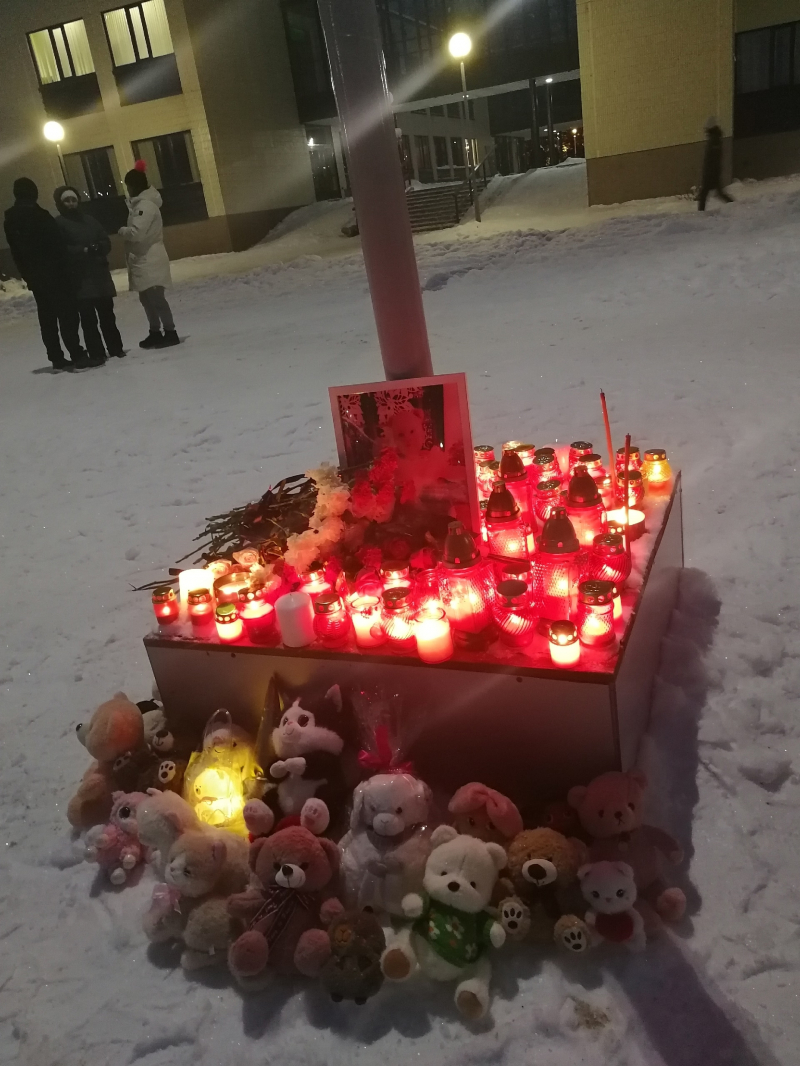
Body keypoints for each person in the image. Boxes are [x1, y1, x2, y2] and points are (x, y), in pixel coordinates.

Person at [3, 177, 91, 371]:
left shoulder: (10, 220)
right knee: (67, 314)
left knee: (47, 317)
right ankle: (76, 353)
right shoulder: (40, 216)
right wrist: (66, 269)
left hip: (35, 276)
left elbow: (17, 253)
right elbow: (56, 246)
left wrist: (28, 275)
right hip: (55, 273)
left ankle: (56, 356)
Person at [53, 185, 124, 363]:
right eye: (67, 201)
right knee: (88, 319)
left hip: (100, 277)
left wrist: (99, 247)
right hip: (80, 279)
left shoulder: (90, 220)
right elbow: (61, 249)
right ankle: (96, 352)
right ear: (60, 203)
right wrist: (83, 250)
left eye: (73, 200)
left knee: (107, 316)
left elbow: (105, 240)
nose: (71, 204)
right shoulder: (59, 224)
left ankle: (115, 347)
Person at [118, 163, 178, 348]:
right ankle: (155, 331)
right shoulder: (141, 205)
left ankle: (170, 332)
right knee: (146, 299)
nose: (127, 190)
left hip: (149, 259)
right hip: (145, 259)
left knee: (156, 298)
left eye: (128, 186)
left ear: (134, 186)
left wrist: (122, 231)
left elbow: (136, 233)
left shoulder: (144, 206)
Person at [698, 121, 734, 211]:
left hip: (711, 172)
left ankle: (700, 212)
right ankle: (733, 204)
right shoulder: (715, 139)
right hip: (713, 171)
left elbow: (712, 159)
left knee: (704, 193)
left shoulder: (714, 140)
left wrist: (709, 172)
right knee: (718, 193)